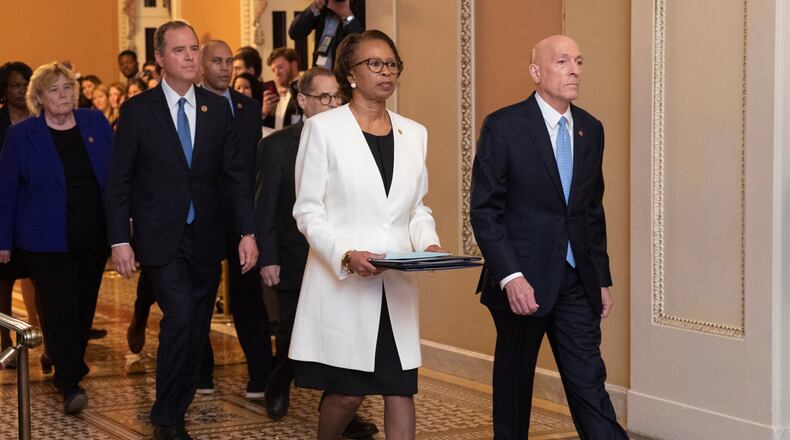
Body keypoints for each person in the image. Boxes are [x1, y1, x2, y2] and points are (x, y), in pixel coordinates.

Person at [470, 35, 628, 439]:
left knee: (589, 382)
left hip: (577, 281)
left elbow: (592, 210)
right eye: (561, 61)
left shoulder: (591, 129)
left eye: (578, 60)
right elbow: (486, 211)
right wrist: (510, 277)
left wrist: (601, 278)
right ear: (536, 72)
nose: (574, 69)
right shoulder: (504, 126)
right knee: (514, 389)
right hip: (522, 282)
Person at [106, 21, 258, 440]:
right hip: (160, 238)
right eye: (179, 50)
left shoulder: (215, 109)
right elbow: (119, 182)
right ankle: (166, 416)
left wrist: (247, 231)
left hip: (207, 237)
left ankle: (175, 406)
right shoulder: (138, 111)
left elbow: (235, 177)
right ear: (159, 58)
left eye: (193, 49)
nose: (190, 57)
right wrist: (120, 239)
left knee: (194, 329)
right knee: (181, 316)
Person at [289, 30, 442, 439]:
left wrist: (427, 243)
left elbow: (416, 207)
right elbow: (307, 210)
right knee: (347, 395)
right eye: (375, 63)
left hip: (395, 286)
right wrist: (344, 254)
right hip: (346, 284)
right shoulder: (323, 130)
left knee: (400, 391)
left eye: (392, 64)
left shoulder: (415, 133)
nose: (386, 71)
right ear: (350, 75)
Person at [256, 66, 378, 438]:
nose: (332, 104)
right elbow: (265, 207)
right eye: (323, 97)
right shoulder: (277, 145)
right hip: (294, 256)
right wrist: (268, 257)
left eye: (336, 97)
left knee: (339, 337)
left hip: (342, 258)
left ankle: (342, 412)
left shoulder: (357, 140)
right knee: (294, 331)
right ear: (304, 101)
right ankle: (279, 379)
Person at [0, 62, 113, 414]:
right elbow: (6, 191)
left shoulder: (95, 123)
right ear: (39, 98)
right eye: (54, 90)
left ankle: (64, 358)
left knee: (82, 308)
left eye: (67, 87)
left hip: (92, 236)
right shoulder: (22, 135)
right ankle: (69, 379)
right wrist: (3, 241)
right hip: (45, 240)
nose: (63, 95)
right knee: (61, 307)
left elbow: (116, 177)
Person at [193, 39, 271, 399]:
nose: (225, 68)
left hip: (242, 216)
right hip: (203, 216)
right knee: (202, 295)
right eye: (217, 61)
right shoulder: (189, 105)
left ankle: (260, 373)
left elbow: (250, 168)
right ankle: (201, 371)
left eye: (229, 62)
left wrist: (252, 220)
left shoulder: (249, 107)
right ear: (201, 66)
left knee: (247, 296)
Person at [0, 61, 43, 371]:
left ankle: (48, 341)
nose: (20, 89)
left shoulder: (40, 119)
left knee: (43, 279)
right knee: (3, 283)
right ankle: (4, 343)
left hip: (34, 207)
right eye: (15, 85)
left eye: (24, 84)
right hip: (3, 207)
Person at [289, 0, 365, 69]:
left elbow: (364, 42)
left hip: (343, 76)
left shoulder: (364, 7)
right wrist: (316, 5)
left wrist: (346, 15)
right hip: (319, 72)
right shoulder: (323, 8)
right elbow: (294, 33)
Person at [262, 47, 300, 130]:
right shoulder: (274, 96)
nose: (276, 73)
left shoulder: (306, 90)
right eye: (273, 70)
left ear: (294, 65)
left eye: (280, 67)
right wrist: (264, 112)